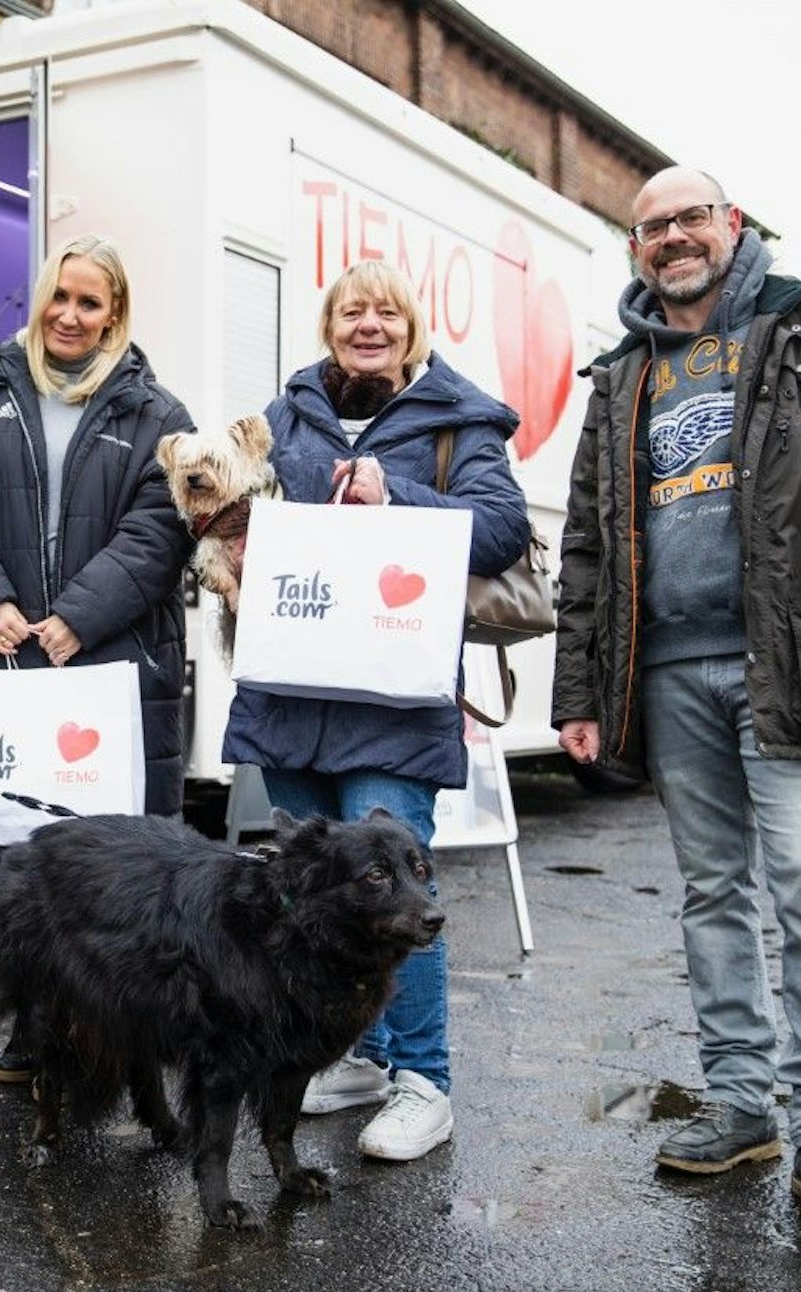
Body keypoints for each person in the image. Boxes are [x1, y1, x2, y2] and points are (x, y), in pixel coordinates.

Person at [553, 166, 801, 1231]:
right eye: (650, 227)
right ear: (633, 249)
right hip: (670, 670)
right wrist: (579, 686)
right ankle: (738, 1102)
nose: (671, 238)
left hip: (797, 661)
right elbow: (588, 540)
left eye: (689, 218)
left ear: (731, 226)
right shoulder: (622, 373)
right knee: (711, 891)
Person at [221, 259, 530, 1162]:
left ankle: (424, 1080)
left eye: (385, 312)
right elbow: (235, 507)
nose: (368, 324)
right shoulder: (285, 417)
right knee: (312, 891)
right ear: (328, 325)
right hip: (291, 693)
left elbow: (502, 527)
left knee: (397, 892)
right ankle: (355, 1053)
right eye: (350, 310)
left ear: (411, 328)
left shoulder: (457, 420)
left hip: (392, 704)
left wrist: (398, 496)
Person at [0, 234, 196, 1082]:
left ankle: (106, 1030)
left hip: (109, 668)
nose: (69, 315)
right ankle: (30, 1023)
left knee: (105, 862)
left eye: (90, 302)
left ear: (115, 314)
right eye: (59, 297)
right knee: (8, 856)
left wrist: (76, 616)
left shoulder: (158, 416)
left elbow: (161, 528)